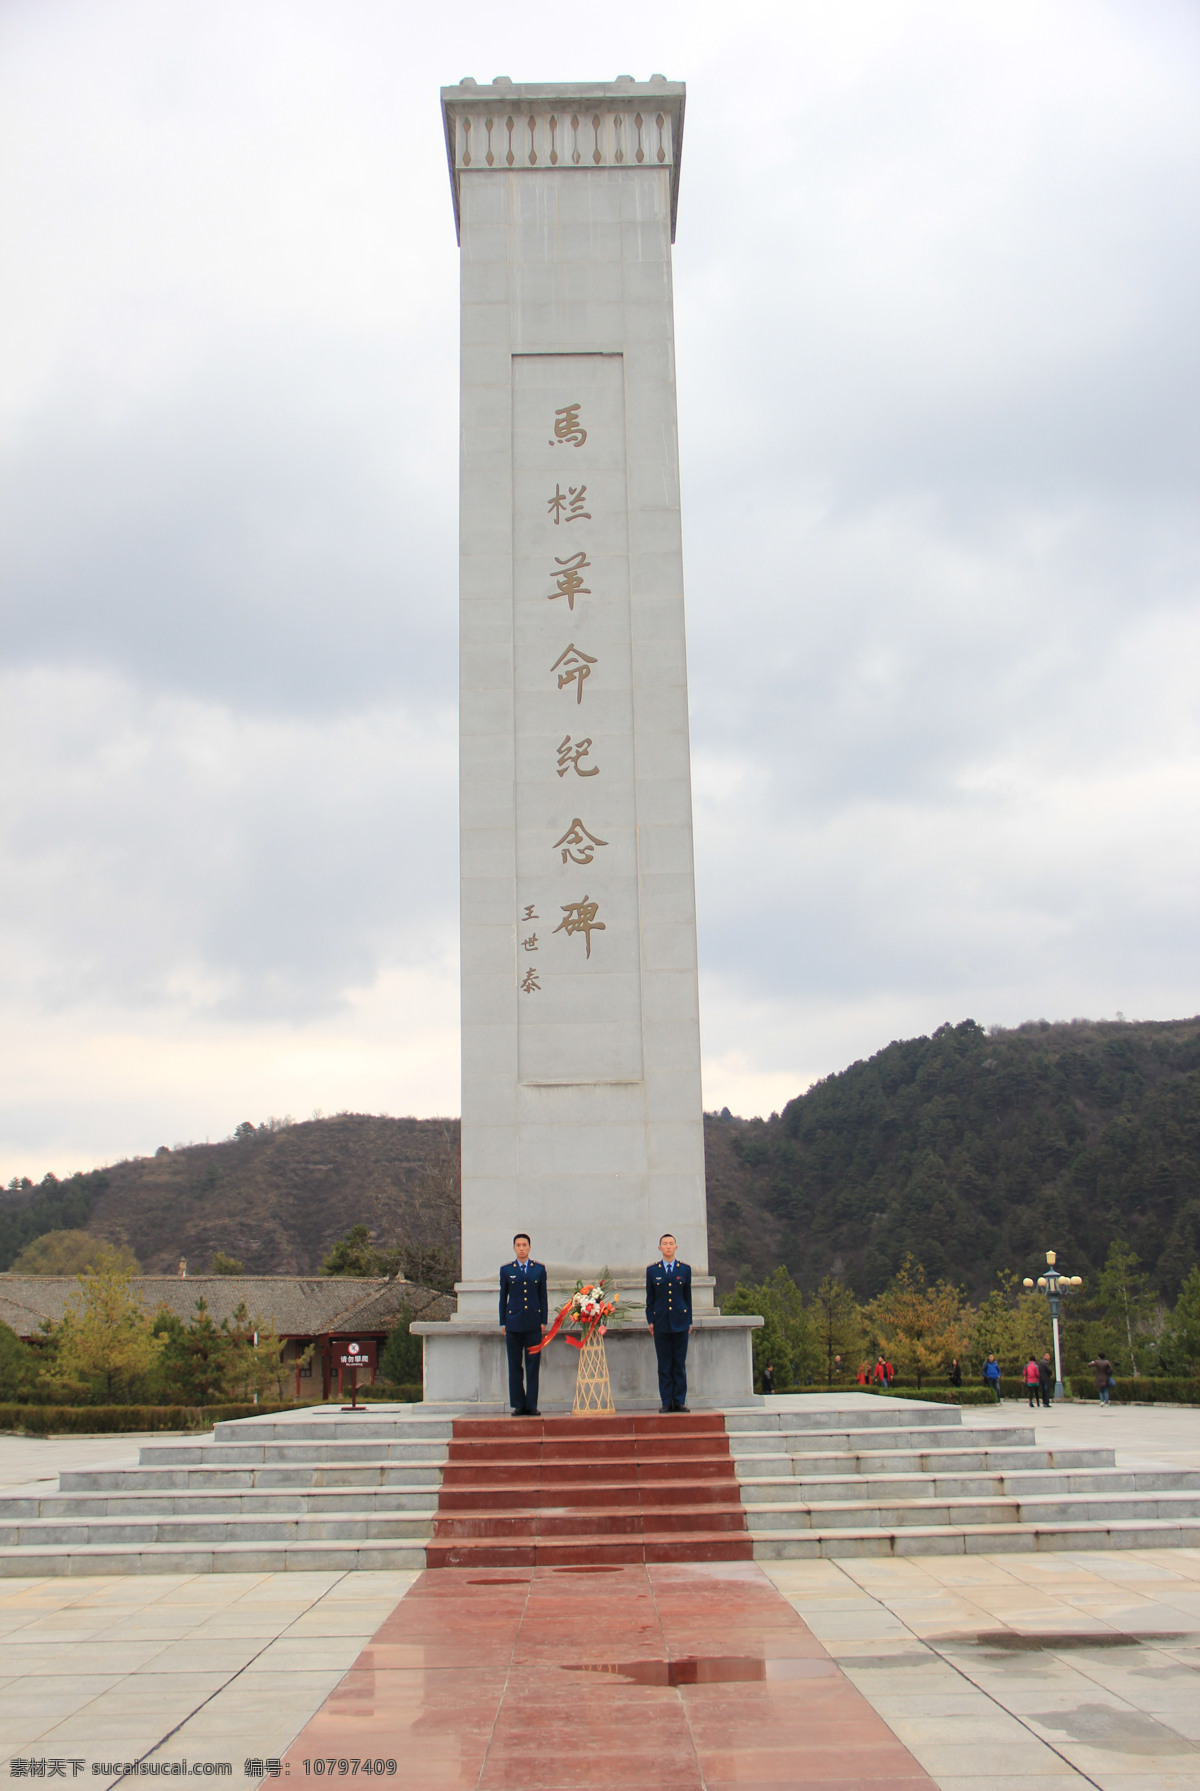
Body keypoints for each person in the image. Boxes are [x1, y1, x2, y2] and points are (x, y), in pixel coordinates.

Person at [498, 1233, 547, 1416]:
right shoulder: (506, 1270)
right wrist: (503, 1321)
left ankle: (531, 1404)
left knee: (533, 1364)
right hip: (514, 1323)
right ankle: (519, 1404)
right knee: (515, 1365)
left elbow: (543, 1297)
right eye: (518, 1245)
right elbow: (503, 1298)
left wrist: (543, 1321)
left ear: (529, 1247)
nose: (521, 1248)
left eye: (524, 1245)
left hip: (533, 1323)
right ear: (514, 1248)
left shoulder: (539, 1270)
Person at [646, 1233, 692, 1412]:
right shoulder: (653, 1271)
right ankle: (667, 1401)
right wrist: (650, 1320)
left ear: (676, 1247)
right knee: (664, 1364)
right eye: (664, 1244)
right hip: (661, 1323)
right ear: (660, 1248)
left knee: (679, 1364)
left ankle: (679, 1401)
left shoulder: (684, 1269)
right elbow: (650, 1299)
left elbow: (687, 1297)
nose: (668, 1246)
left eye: (671, 1243)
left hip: (680, 1322)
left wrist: (689, 1321)